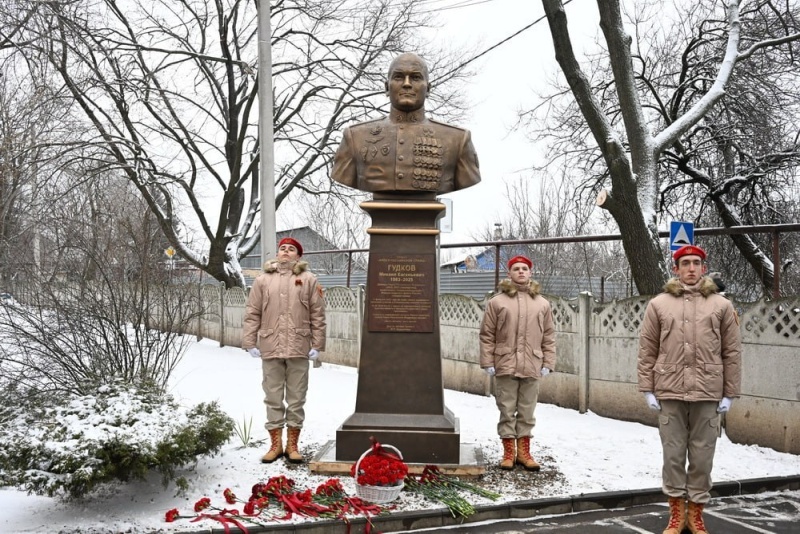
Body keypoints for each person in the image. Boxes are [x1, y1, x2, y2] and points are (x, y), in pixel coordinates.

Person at [638, 245, 741, 534]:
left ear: (704, 268)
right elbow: (647, 349)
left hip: (708, 392)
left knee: (702, 457)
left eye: (696, 263)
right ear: (676, 269)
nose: (691, 268)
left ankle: (695, 514)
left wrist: (729, 393)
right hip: (669, 391)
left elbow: (731, 352)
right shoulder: (659, 304)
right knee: (672, 456)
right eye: (685, 263)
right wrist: (648, 388)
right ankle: (675, 514)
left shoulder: (721, 306)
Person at [331, 52, 481, 194]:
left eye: (415, 78)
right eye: (398, 77)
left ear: (428, 88)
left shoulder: (457, 140)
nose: (407, 84)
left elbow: (469, 185)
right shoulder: (355, 137)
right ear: (386, 87)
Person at [242, 237, 326, 464]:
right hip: (270, 345)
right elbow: (252, 313)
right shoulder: (262, 280)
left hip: (299, 346)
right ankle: (275, 444)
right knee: (273, 397)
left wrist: (317, 345)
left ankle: (292, 445)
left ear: (298, 256)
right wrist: (250, 342)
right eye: (282, 248)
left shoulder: (308, 279)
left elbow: (318, 315)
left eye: (291, 249)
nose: (286, 252)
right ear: (277, 254)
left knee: (297, 397)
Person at [479, 255, 556, 471]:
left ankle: (524, 453)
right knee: (506, 409)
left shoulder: (542, 304)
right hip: (505, 363)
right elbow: (487, 334)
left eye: (524, 268)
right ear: (509, 274)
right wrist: (488, 361)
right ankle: (508, 453)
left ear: (530, 273)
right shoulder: (497, 302)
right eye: (516, 269)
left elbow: (549, 335)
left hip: (532, 363)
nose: (521, 272)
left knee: (527, 410)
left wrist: (548, 361)